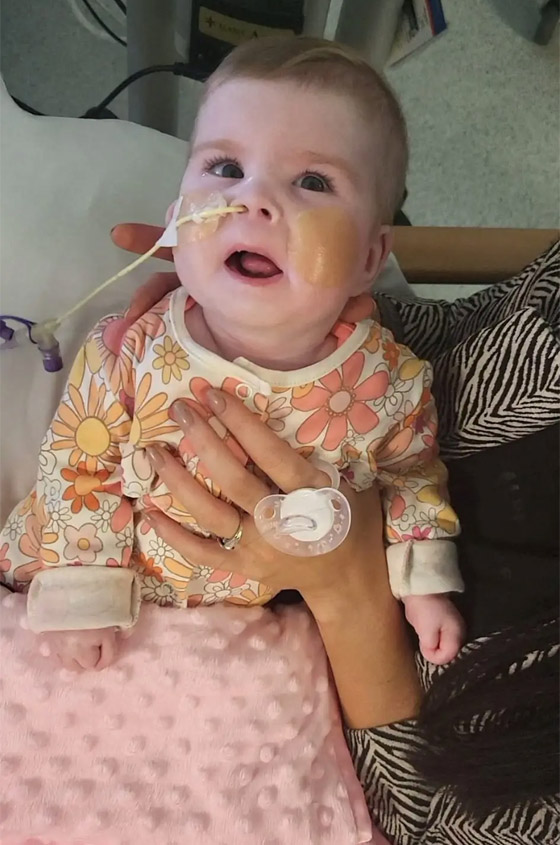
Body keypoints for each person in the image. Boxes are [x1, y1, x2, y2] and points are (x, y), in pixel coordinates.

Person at [0, 36, 465, 668]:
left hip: (242, 623)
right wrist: (82, 594)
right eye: (225, 169)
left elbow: (410, 477)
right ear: (176, 220)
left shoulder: (389, 386)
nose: (253, 200)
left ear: (370, 258)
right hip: (86, 586)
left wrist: (421, 580)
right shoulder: (130, 350)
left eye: (312, 181)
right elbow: (76, 468)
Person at [112, 223, 560, 844]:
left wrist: (348, 590)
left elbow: (436, 823)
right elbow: (474, 329)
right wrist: (289, 316)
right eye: (227, 174)